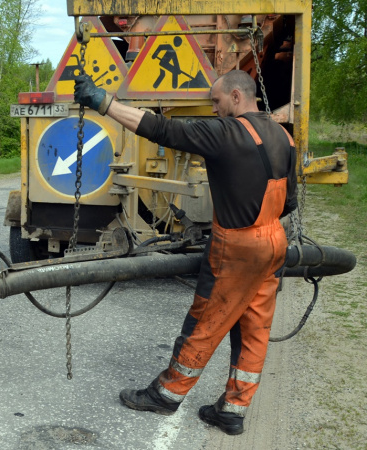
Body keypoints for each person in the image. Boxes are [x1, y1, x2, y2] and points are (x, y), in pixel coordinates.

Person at [74, 70, 296, 435]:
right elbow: (288, 203)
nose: (214, 109)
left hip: (237, 247)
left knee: (205, 321)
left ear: (237, 98)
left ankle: (166, 394)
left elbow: (162, 130)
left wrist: (103, 103)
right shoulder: (284, 138)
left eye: (217, 102)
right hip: (273, 241)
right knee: (254, 329)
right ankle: (233, 410)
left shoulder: (226, 134)